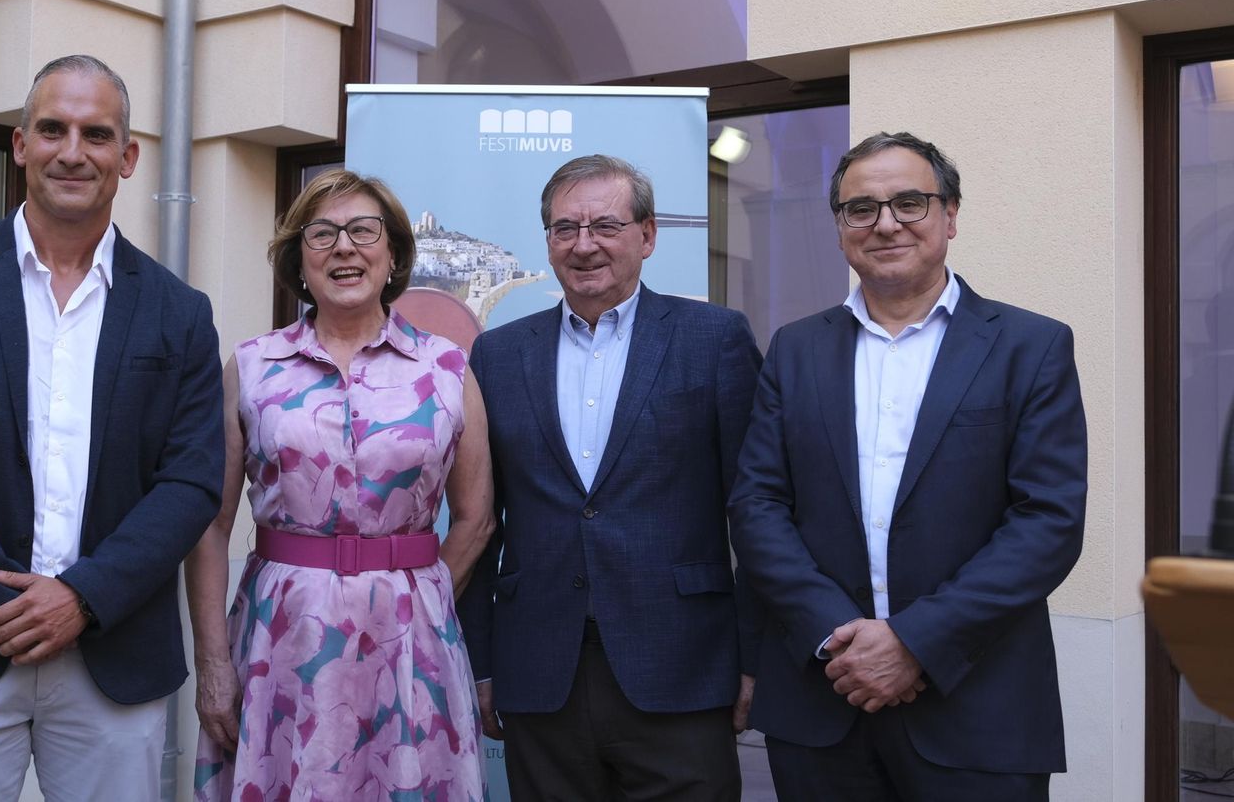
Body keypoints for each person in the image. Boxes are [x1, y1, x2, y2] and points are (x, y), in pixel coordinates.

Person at [0, 54, 224, 801]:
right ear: (21, 144)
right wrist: (6, 605)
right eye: (53, 129)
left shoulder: (179, 313)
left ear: (127, 157)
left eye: (96, 134)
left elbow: (190, 483)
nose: (72, 150)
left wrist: (82, 597)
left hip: (112, 652)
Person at [728, 132, 1087, 801]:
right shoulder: (795, 349)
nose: (885, 222)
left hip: (979, 706)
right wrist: (842, 642)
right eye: (860, 208)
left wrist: (913, 641)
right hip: (821, 699)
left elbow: (1048, 523)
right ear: (840, 228)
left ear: (950, 216)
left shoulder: (1030, 346)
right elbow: (757, 506)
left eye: (909, 202)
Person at [457, 154, 761, 802]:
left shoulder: (715, 339)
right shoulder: (499, 354)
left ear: (647, 236)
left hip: (683, 667)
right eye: (565, 228)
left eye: (605, 225)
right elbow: (480, 518)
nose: (584, 244)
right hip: (541, 671)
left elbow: (758, 511)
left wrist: (757, 656)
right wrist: (480, 664)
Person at [186, 169, 494, 800]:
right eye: (321, 234)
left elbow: (475, 517)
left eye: (363, 231)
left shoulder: (448, 368)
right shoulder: (252, 366)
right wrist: (214, 662)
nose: (344, 248)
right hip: (283, 641)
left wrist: (417, 599)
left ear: (394, 254)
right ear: (299, 260)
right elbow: (211, 524)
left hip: (413, 646)